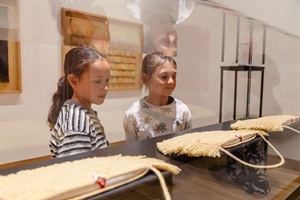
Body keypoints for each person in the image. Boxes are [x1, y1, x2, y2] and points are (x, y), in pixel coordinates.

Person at [47, 46, 110, 158]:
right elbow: (76, 170)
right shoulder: (76, 122)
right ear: (74, 81)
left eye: (107, 80)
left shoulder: (84, 113)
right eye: (98, 81)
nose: (105, 88)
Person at [123, 52, 192, 142]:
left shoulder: (182, 110)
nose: (171, 81)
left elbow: (188, 146)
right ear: (145, 79)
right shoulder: (133, 114)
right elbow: (130, 149)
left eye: (174, 76)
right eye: (164, 77)